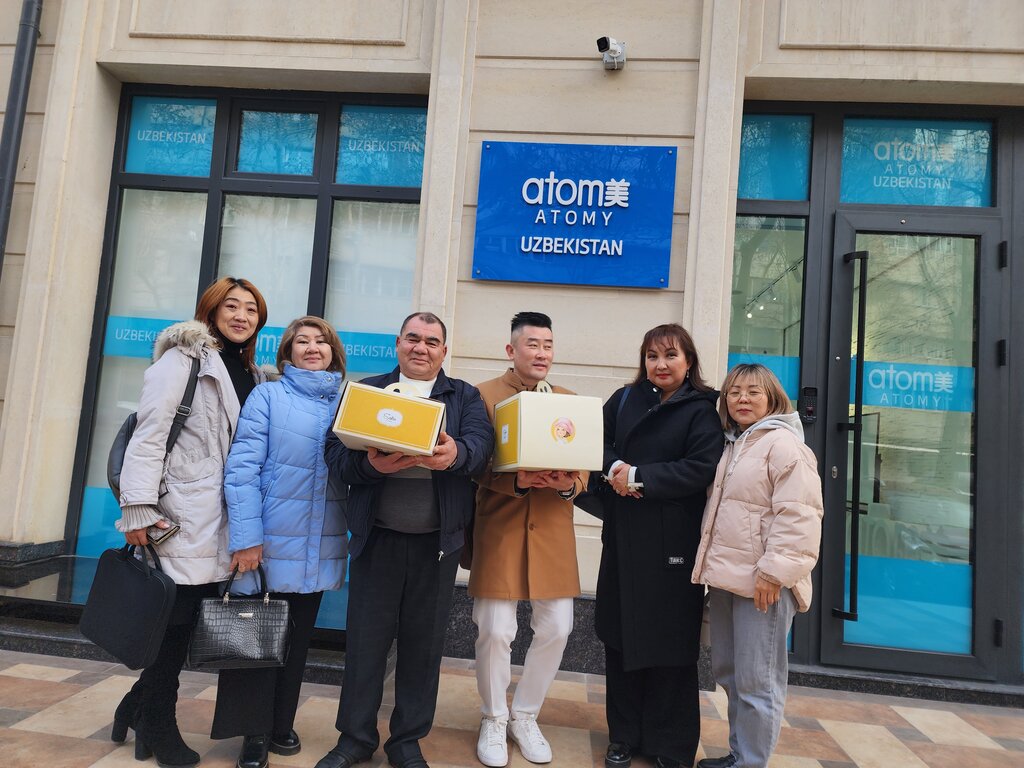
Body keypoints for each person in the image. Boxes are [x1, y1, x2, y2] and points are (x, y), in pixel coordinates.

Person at [314, 311, 494, 768]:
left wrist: (456, 454)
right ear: (398, 344)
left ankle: (407, 742)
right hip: (377, 540)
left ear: (444, 351)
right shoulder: (367, 391)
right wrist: (371, 467)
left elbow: (481, 448)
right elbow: (334, 454)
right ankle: (354, 739)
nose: (421, 348)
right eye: (413, 338)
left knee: (423, 647)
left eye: (432, 342)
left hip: (438, 545)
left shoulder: (465, 396)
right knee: (365, 644)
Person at [112, 277, 268, 768]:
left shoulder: (252, 373)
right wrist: (137, 508)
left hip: (219, 517)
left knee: (185, 623)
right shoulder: (181, 362)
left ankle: (136, 706)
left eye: (251, 310)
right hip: (179, 513)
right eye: (232, 306)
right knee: (173, 623)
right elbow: (149, 437)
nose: (241, 316)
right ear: (211, 310)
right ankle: (158, 722)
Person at [212, 316, 349, 768]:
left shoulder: (348, 402)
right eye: (301, 341)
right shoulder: (268, 396)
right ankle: (252, 734)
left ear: (333, 352)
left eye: (321, 341)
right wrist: (247, 538)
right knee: (255, 639)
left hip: (320, 544)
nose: (312, 348)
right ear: (287, 353)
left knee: (296, 643)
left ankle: (280, 724)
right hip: (268, 545)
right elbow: (241, 470)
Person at [596, 324, 724, 768]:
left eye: (670, 355)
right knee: (620, 641)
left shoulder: (703, 409)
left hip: (674, 546)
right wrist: (615, 466)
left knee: (670, 648)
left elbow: (702, 467)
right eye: (652, 356)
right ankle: (623, 736)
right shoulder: (624, 399)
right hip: (623, 538)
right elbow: (597, 442)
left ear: (689, 361)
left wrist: (639, 478)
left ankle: (671, 745)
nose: (661, 364)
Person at [470, 312, 587, 767]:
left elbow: (582, 468)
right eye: (532, 344)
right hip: (499, 528)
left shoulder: (569, 401)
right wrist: (515, 480)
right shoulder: (482, 397)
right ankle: (494, 717)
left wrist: (567, 484)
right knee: (495, 630)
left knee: (558, 627)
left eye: (548, 345)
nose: (541, 353)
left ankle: (525, 714)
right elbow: (472, 464)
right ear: (511, 349)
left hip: (552, 530)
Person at [691, 364, 823, 768]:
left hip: (765, 585)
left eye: (752, 392)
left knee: (758, 682)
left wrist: (773, 573)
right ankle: (739, 754)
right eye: (734, 393)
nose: (742, 399)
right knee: (732, 674)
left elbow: (800, 515)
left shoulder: (784, 445)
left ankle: (750, 762)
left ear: (772, 398)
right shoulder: (735, 444)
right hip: (729, 579)